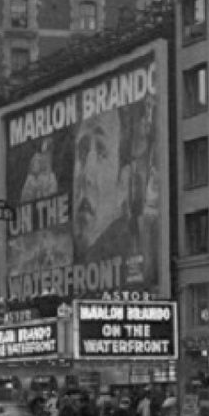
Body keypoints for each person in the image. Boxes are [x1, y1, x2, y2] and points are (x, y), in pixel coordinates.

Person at [71, 93, 157, 285]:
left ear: (123, 182)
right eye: (82, 151)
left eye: (101, 151)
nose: (87, 175)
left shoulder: (137, 256)